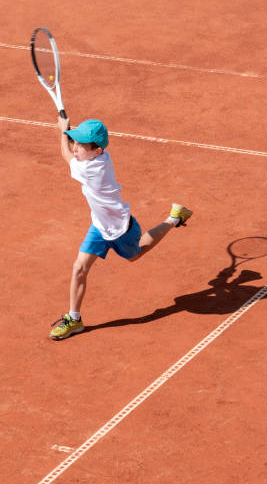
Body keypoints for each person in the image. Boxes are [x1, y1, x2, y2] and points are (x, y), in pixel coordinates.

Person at [50, 116, 193, 340]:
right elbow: (75, 154)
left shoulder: (91, 171)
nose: (75, 147)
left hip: (122, 230)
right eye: (74, 143)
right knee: (79, 268)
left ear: (96, 151)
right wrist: (70, 134)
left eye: (80, 145)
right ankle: (74, 319)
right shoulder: (99, 156)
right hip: (99, 227)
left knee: (136, 254)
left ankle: (174, 218)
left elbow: (66, 156)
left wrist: (62, 132)